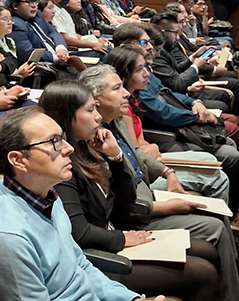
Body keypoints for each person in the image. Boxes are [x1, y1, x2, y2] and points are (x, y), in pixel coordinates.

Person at [42, 78, 228, 301]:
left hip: (113, 235)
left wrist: (116, 157)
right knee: (204, 273)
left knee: (208, 251)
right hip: (98, 258)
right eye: (90, 110)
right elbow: (79, 232)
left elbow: (126, 199)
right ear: (67, 117)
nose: (98, 116)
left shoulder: (90, 147)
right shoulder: (62, 165)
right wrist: (121, 239)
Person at [0, 106, 162, 301]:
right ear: (19, 160)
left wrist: (128, 298)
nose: (69, 148)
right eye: (54, 142)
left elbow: (80, 266)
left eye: (63, 137)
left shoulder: (46, 193)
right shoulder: (8, 237)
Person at [106, 31, 239, 212]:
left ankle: (224, 217)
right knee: (219, 175)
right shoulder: (122, 107)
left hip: (153, 158)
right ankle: (223, 218)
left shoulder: (135, 95)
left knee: (213, 156)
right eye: (140, 69)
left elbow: (167, 92)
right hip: (151, 160)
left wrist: (195, 102)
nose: (147, 73)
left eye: (146, 67)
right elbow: (138, 149)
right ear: (123, 74)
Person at [6, 0, 70, 66]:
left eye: (35, 1)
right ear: (15, 5)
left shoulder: (38, 16)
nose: (34, 5)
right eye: (29, 1)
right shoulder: (15, 24)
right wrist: (57, 57)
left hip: (60, 58)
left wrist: (61, 48)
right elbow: (27, 54)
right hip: (45, 68)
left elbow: (54, 33)